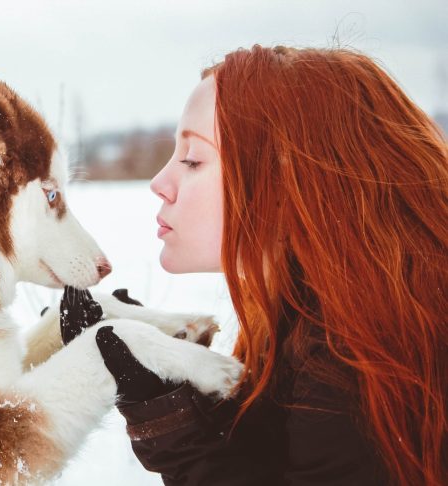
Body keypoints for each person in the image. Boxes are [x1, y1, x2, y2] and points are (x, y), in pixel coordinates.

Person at [59, 45, 447, 485]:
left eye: (192, 160)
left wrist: (181, 441)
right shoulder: (309, 321)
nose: (160, 182)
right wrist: (176, 398)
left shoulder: (357, 363)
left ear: (290, 181)